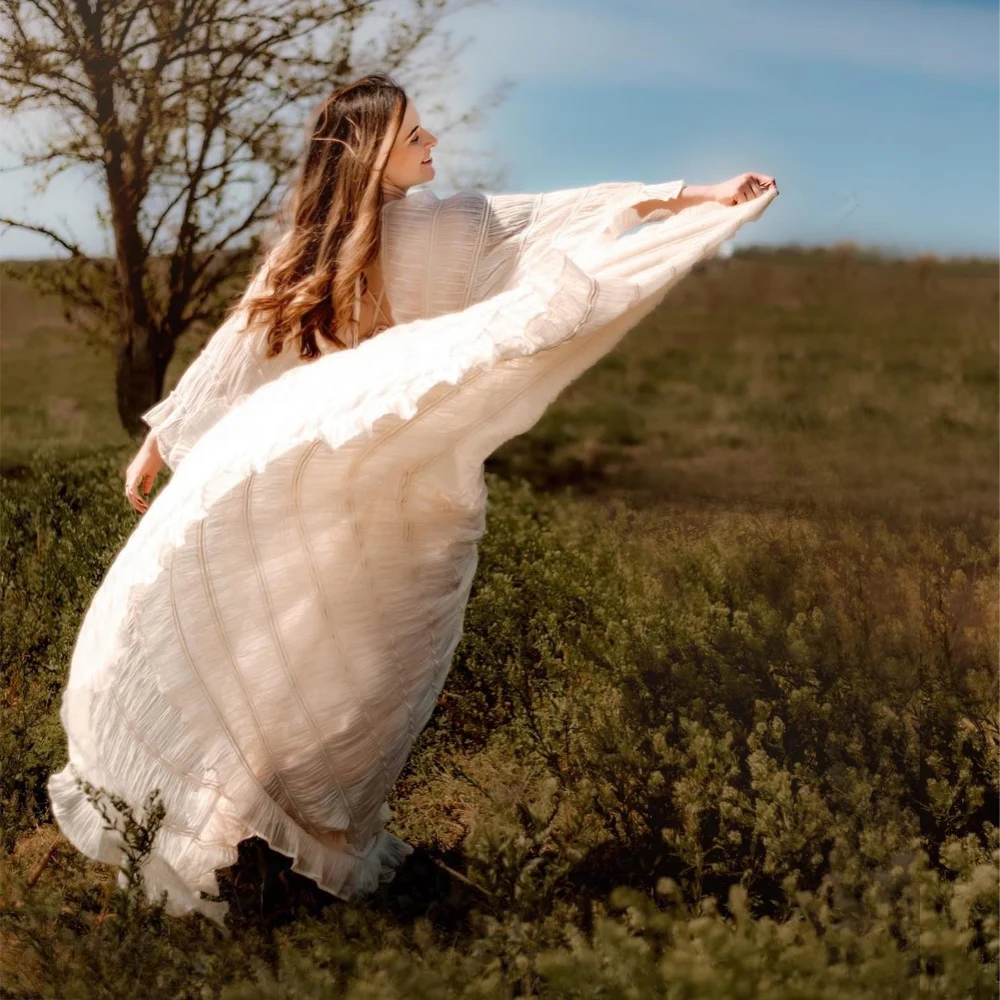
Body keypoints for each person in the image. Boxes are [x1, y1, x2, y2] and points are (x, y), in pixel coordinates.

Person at [50, 73, 778, 927]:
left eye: (427, 131)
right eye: (413, 137)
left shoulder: (456, 223)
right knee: (287, 633)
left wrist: (701, 197)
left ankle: (322, 824)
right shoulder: (309, 252)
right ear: (368, 155)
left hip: (413, 492)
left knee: (374, 660)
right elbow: (241, 346)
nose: (433, 144)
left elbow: (568, 214)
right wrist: (161, 440)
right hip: (327, 473)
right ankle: (251, 825)